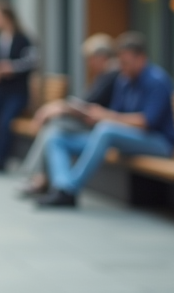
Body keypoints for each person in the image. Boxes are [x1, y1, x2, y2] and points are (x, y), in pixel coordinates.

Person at [39, 31, 174, 208]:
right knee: (56, 137)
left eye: (127, 63)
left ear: (141, 58)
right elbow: (115, 113)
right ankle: (61, 185)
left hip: (159, 143)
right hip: (127, 139)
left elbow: (145, 122)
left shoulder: (158, 81)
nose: (123, 67)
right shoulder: (124, 80)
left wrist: (106, 117)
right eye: (121, 63)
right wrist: (95, 116)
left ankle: (69, 190)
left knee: (106, 130)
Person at [20, 34, 120, 196]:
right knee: (53, 132)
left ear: (101, 57)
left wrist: (57, 108)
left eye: (90, 58)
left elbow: (87, 105)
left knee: (54, 124)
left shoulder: (112, 75)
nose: (89, 63)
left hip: (95, 127)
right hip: (92, 125)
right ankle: (53, 182)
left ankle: (43, 178)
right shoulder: (104, 76)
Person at [0, 0, 38, 172]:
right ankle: (1, 156)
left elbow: (32, 62)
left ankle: (0, 161)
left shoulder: (23, 38)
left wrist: (11, 68)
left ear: (7, 17)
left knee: (5, 123)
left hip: (17, 92)